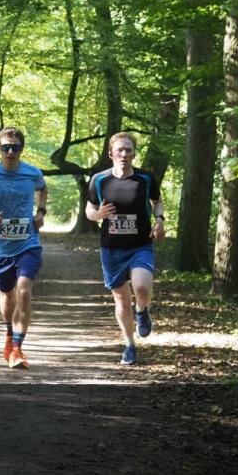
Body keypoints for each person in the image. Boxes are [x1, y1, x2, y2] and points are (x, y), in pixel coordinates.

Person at [86, 132, 164, 365]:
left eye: (128, 150)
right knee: (121, 300)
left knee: (141, 287)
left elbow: (157, 201)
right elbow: (89, 210)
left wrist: (159, 220)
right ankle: (129, 345)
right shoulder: (99, 180)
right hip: (111, 248)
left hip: (140, 244)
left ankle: (142, 310)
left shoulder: (145, 178)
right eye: (119, 150)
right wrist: (98, 214)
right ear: (110, 153)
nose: (124, 154)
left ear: (133, 153)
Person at [0, 127, 48, 370]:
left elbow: (43, 188)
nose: (10, 152)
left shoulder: (32, 173)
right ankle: (9, 336)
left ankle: (18, 347)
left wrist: (41, 212)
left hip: (28, 243)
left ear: (21, 149)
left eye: (15, 147)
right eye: (5, 147)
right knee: (7, 295)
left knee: (24, 291)